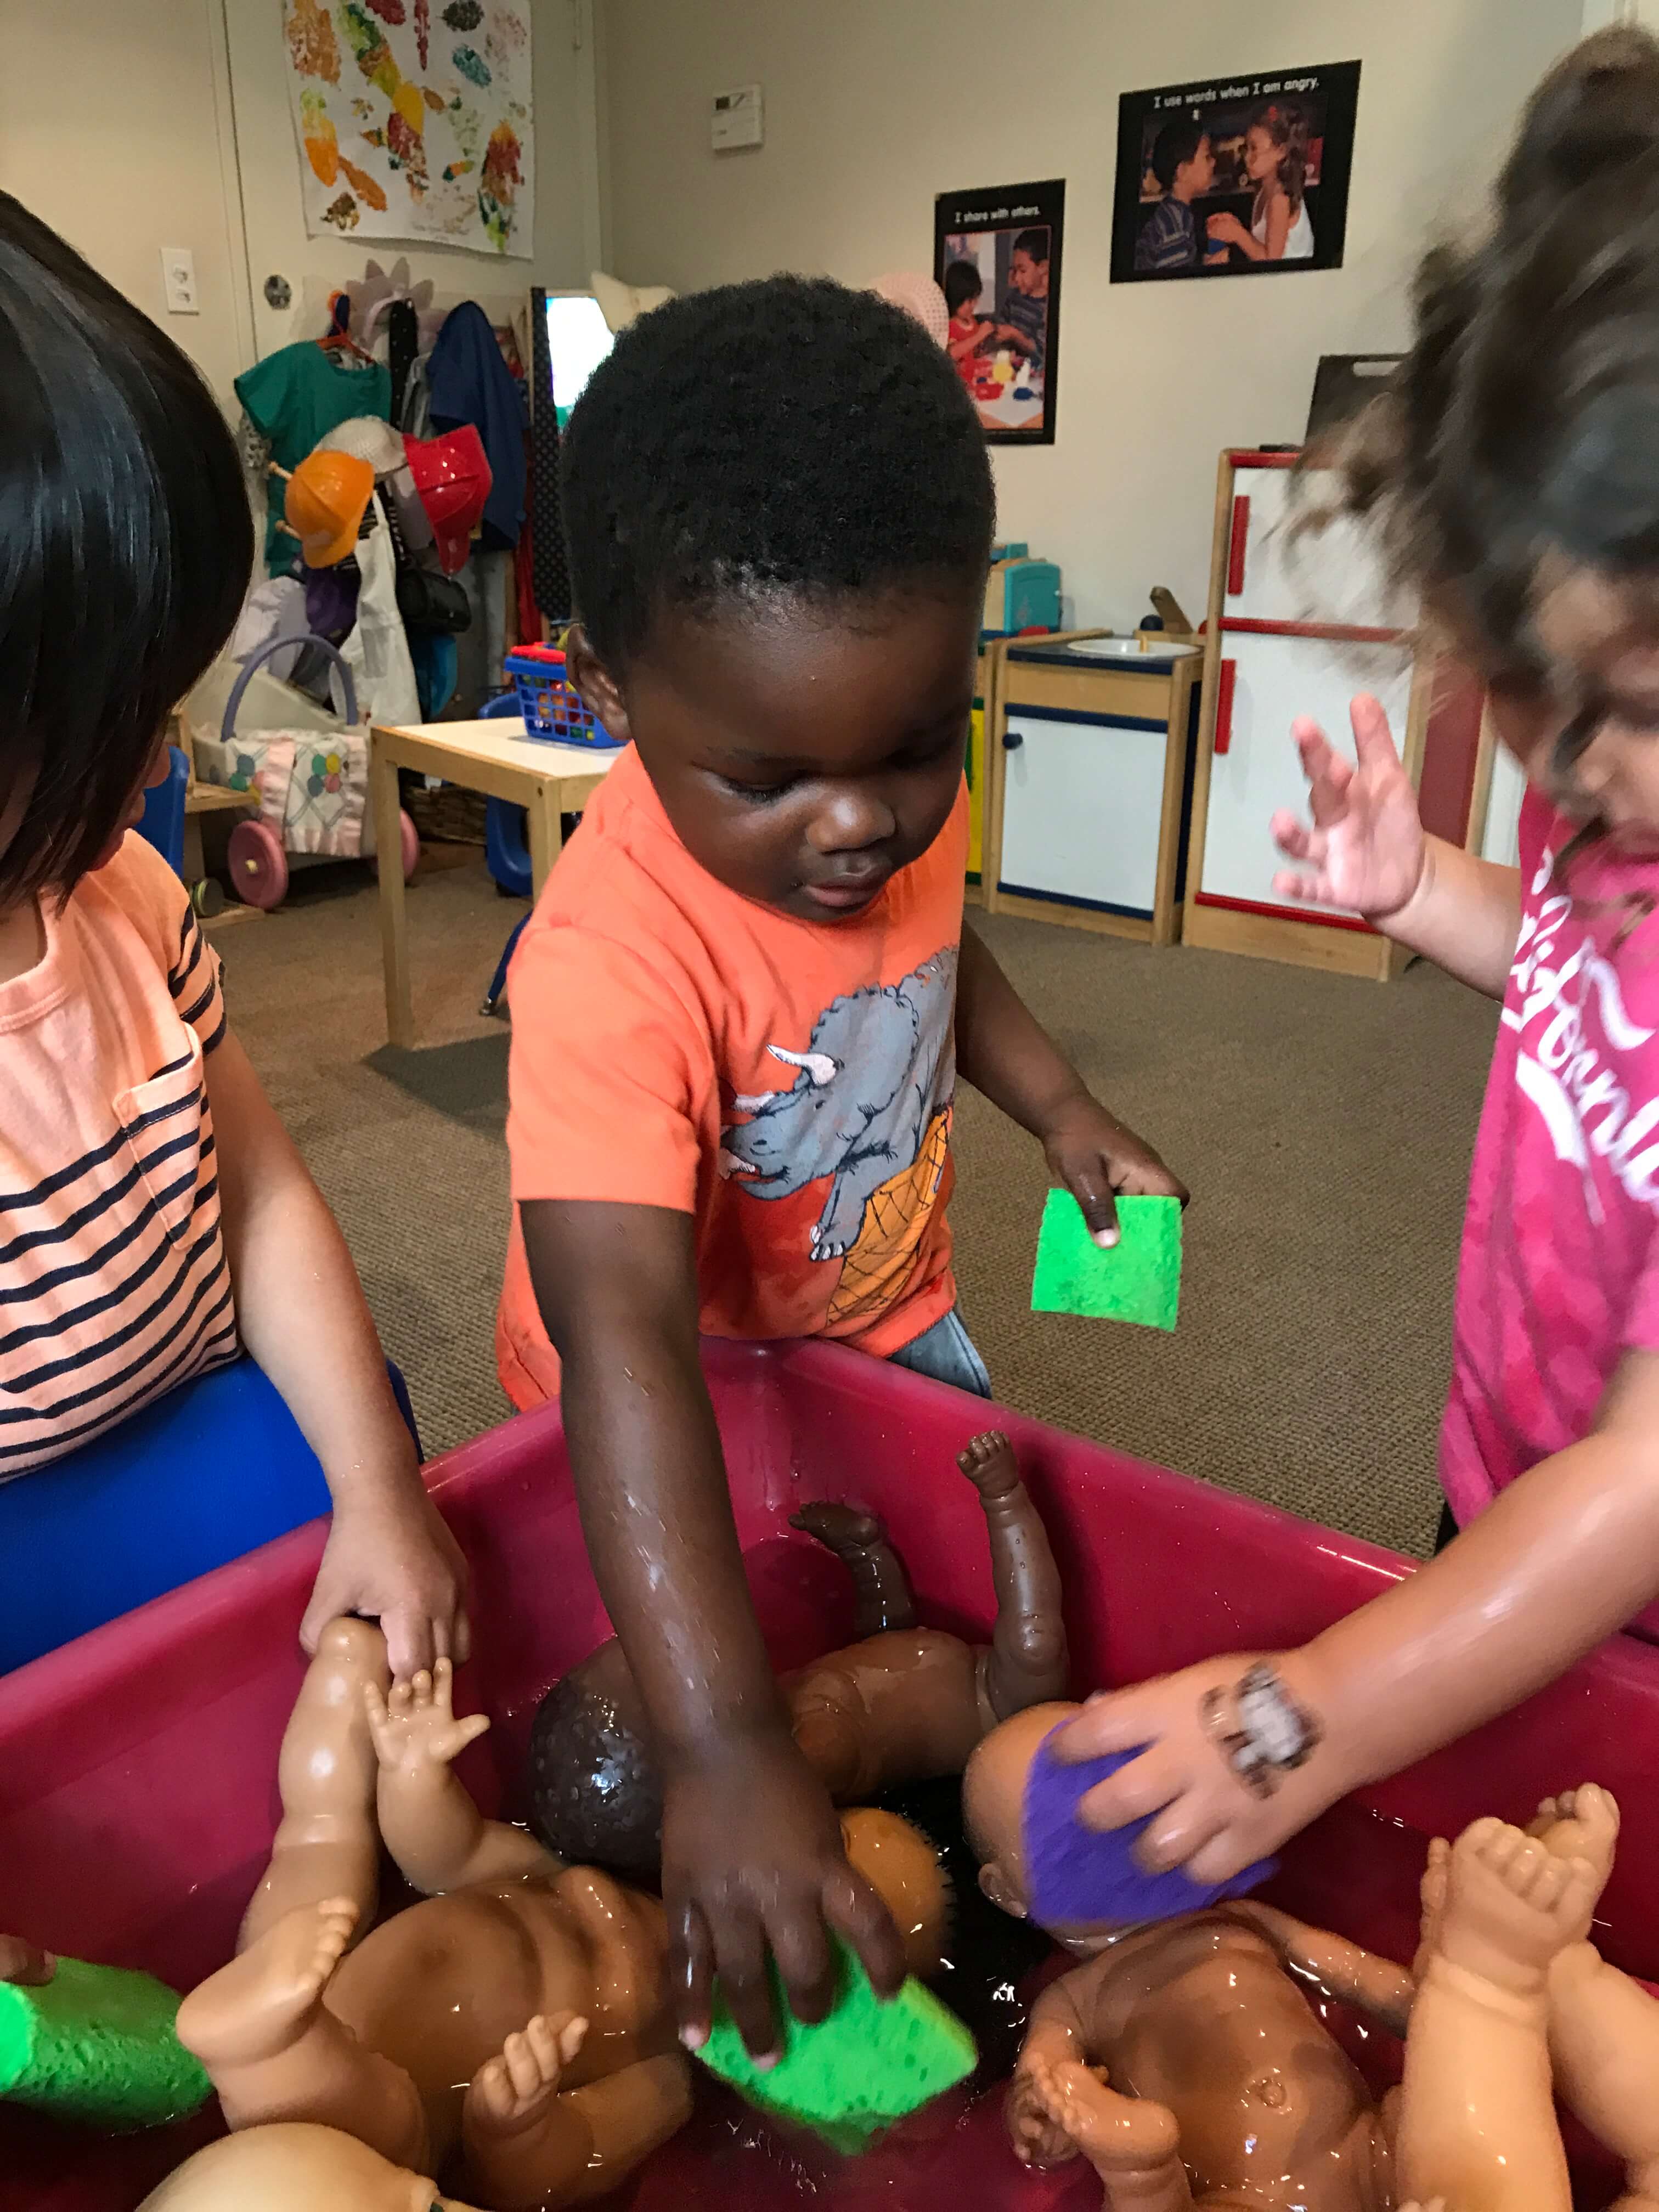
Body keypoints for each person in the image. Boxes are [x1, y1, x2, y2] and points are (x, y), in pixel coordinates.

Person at [498, 274, 1185, 2063]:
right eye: (771, 777)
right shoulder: (607, 960)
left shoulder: (880, 819)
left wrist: (1061, 1105)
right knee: (664, 1736)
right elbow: (622, 1344)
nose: (859, 823)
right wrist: (722, 1751)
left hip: (890, 1313)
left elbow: (943, 957)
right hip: (681, 1391)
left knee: (958, 1658)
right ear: (609, 680)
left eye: (907, 746)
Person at [1052, 26, 1659, 1889]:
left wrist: (1298, 1710)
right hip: (1509, 1477)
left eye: (1618, 704)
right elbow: (1575, 980)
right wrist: (1419, 889)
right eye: (1535, 696)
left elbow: (1636, 1496)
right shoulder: (1622, 827)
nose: (1572, 764)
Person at [0, 193, 466, 1679]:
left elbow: (259, 1193)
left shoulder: (127, 900)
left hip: (219, 1428)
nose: (159, 772)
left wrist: (378, 1486)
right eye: (108, 721)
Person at [1206, 101, 1314, 264]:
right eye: (1246, 148)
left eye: (1254, 149)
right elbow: (1260, 241)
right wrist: (1233, 226)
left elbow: (1272, 262)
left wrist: (1238, 234)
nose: (1247, 158)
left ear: (1281, 151)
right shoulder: (1263, 189)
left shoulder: (1279, 199)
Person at [1134, 121, 1218, 274]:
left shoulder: (1174, 211)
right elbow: (1176, 288)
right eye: (1207, 157)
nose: (1214, 162)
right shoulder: (1175, 227)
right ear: (1182, 171)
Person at [995, 228, 1051, 368]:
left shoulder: (1047, 307)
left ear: (1043, 267)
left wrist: (1015, 335)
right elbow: (1001, 329)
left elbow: (1041, 352)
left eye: (1023, 270)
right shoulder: (1014, 298)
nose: (1017, 278)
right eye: (1015, 270)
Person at [943, 256, 991, 383]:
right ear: (956, 297)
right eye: (970, 301)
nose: (974, 305)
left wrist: (980, 349)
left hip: (973, 381)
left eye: (976, 299)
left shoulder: (971, 321)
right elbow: (952, 353)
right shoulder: (949, 325)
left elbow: (972, 352)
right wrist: (980, 335)